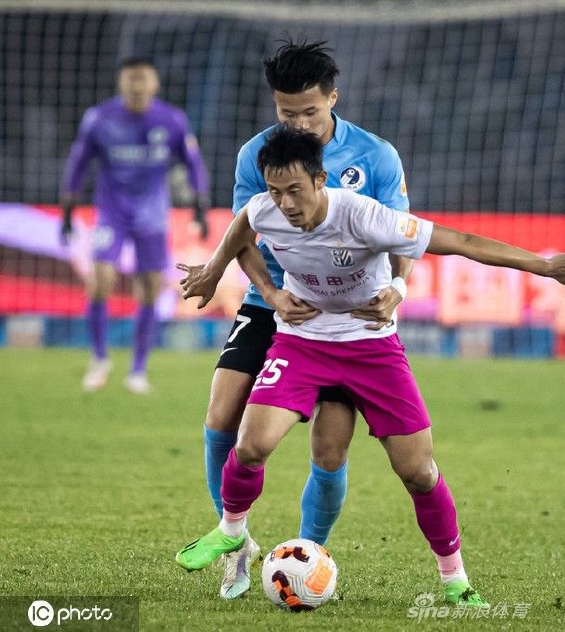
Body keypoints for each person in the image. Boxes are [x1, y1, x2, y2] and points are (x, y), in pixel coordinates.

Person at [174, 124, 565, 607]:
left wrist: (545, 267)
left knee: (418, 471)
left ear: (320, 180)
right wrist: (237, 278)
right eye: (276, 192)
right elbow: (241, 228)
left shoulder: (363, 216)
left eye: (295, 190)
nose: (286, 203)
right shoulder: (265, 209)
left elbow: (461, 241)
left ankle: (455, 580)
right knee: (251, 444)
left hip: (371, 348)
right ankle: (232, 530)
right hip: (302, 342)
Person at [196, 40, 415, 600]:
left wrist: (397, 287)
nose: (298, 123)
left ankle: (306, 557)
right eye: (286, 112)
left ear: (333, 99)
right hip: (274, 302)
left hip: (342, 316)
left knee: (330, 450)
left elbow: (405, 234)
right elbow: (242, 233)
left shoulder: (376, 156)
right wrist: (270, 293)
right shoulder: (257, 154)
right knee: (222, 416)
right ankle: (236, 546)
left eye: (309, 111)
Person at [60, 56, 210, 395]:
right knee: (100, 279)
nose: (137, 86)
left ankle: (138, 369)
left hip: (152, 215)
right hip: (111, 213)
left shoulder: (171, 120)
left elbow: (193, 163)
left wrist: (200, 205)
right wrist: (68, 208)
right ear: (121, 83)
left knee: (150, 288)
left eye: (143, 79)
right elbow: (78, 162)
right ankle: (99, 359)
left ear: (154, 84)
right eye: (131, 79)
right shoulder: (99, 118)